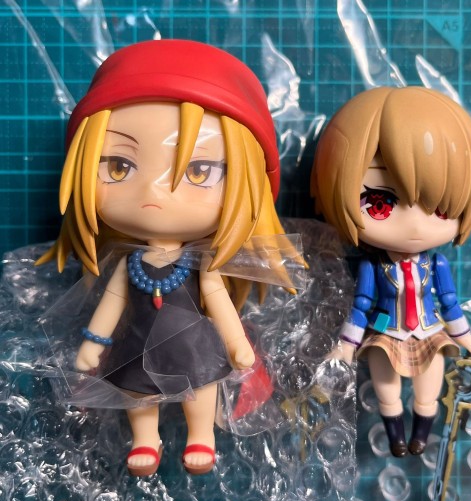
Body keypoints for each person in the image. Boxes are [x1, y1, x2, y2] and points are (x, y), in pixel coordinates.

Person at [38, 39, 294, 476]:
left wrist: (237, 344)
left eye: (199, 171)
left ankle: (201, 435)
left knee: (202, 387)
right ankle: (145, 439)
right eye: (119, 167)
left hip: (192, 342)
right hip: (137, 341)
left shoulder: (200, 265)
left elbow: (219, 302)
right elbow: (112, 303)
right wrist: (94, 343)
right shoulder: (129, 264)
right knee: (137, 391)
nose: (152, 192)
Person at [311, 87, 471, 457]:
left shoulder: (435, 264)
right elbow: (361, 305)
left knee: (429, 386)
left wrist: (464, 336)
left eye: (439, 208)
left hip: (428, 329)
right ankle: (396, 437)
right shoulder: (373, 266)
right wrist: (347, 344)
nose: (416, 225)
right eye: (379, 203)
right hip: (387, 331)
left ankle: (420, 435)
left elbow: (449, 302)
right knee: (386, 388)